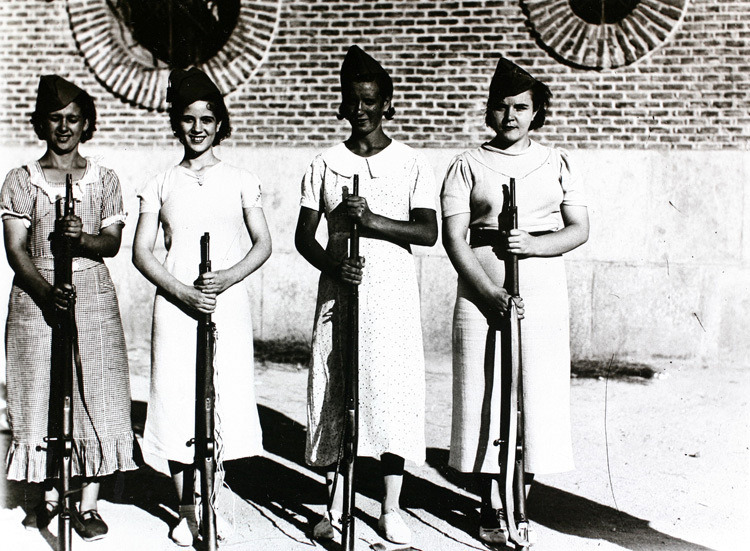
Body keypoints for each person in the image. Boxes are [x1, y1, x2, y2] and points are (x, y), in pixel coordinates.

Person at [441, 57, 589, 545]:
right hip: (481, 295)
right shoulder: (466, 164)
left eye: (521, 107)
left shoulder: (558, 161)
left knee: (534, 394)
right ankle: (489, 504)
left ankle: (520, 500)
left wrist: (533, 245)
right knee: (484, 393)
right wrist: (490, 295)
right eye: (502, 107)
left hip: (541, 292)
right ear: (490, 111)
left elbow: (578, 229)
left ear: (536, 112)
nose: (511, 117)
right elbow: (455, 238)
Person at [295, 45, 438, 546]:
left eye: (371, 101)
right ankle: (333, 504)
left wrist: (372, 220)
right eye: (353, 101)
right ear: (342, 103)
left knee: (391, 398)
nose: (362, 111)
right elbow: (303, 236)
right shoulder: (325, 164)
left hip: (392, 298)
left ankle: (390, 507)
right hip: (340, 294)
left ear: (387, 103)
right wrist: (335, 263)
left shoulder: (410, 162)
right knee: (339, 393)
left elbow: (427, 232)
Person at [132, 67, 272, 546]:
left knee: (222, 397)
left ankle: (213, 500)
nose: (198, 128)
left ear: (219, 123)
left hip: (224, 305)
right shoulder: (160, 183)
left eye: (207, 119)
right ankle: (186, 508)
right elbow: (142, 252)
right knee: (175, 398)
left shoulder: (240, 179)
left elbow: (262, 244)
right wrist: (182, 291)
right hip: (174, 307)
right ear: (177, 122)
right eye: (188, 119)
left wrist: (226, 279)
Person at [1, 75, 138, 541]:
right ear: (42, 123)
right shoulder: (21, 180)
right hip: (35, 295)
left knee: (98, 389)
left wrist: (81, 239)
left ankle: (88, 503)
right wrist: (44, 291)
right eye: (55, 119)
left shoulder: (105, 179)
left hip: (92, 293)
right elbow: (16, 250)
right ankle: (42, 496)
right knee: (36, 388)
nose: (64, 128)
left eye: (74, 119)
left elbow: (113, 242)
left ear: (87, 124)